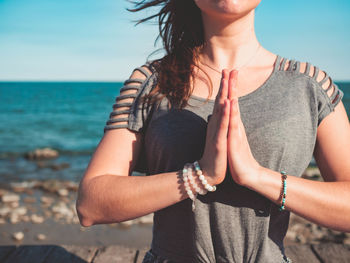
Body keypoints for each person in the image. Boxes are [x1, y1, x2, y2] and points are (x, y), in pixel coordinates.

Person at [76, 0, 350, 262]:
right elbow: (91, 203)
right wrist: (201, 175)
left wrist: (257, 176)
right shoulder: (150, 82)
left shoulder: (310, 85)